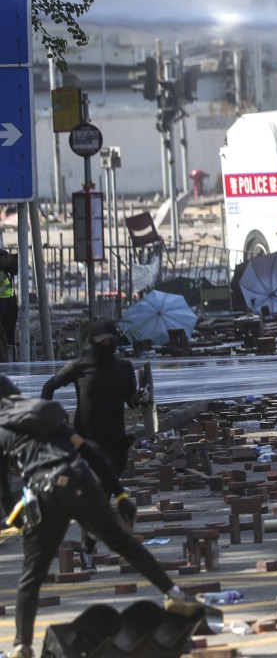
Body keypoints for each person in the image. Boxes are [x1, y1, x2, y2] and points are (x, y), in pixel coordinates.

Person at [0, 376, 187, 658]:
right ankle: (176, 596)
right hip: (79, 480)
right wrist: (120, 494)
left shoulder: (2, 430)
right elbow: (89, 451)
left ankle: (21, 647)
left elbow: (3, 488)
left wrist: (17, 520)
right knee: (121, 541)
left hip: (44, 492)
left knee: (32, 576)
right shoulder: (46, 413)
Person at [40, 318, 151, 571]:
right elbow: (49, 386)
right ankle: (85, 546)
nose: (108, 346)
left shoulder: (124, 368)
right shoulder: (78, 367)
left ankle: (87, 545)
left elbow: (131, 401)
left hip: (116, 442)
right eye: (103, 342)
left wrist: (141, 397)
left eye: (112, 342)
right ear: (93, 343)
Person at [0, 248, 17, 362]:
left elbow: (15, 268)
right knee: (6, 339)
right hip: (7, 305)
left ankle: (9, 362)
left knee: (8, 339)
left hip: (7, 305)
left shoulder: (3, 256)